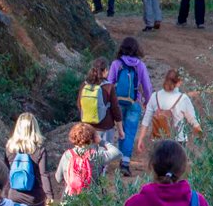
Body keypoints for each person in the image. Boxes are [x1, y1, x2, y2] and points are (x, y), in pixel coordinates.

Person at [107, 37, 154, 176]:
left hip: (117, 103)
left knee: (120, 131)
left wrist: (108, 102)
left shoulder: (116, 64)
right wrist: (148, 102)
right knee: (130, 133)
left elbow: (109, 83)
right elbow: (147, 86)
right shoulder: (140, 65)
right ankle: (125, 163)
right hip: (134, 104)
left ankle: (120, 157)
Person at [5, 113, 54, 206]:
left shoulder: (10, 148)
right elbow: (44, 174)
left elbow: (6, 172)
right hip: (34, 198)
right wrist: (49, 196)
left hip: (14, 195)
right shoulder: (39, 149)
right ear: (34, 128)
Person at [137, 69, 201, 151]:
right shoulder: (183, 98)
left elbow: (146, 120)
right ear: (179, 82)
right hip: (178, 141)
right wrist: (200, 134)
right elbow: (193, 120)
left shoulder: (155, 96)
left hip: (159, 140)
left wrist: (140, 139)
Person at [54, 123, 119, 197]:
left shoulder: (67, 155)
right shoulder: (96, 155)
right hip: (93, 198)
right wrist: (101, 141)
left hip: (71, 199)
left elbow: (58, 178)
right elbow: (117, 153)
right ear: (93, 138)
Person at [77, 57, 124, 146]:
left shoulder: (84, 85)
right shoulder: (109, 87)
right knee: (105, 156)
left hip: (88, 128)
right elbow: (115, 109)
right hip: (105, 128)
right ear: (105, 70)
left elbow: (79, 105)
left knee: (90, 156)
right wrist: (120, 130)